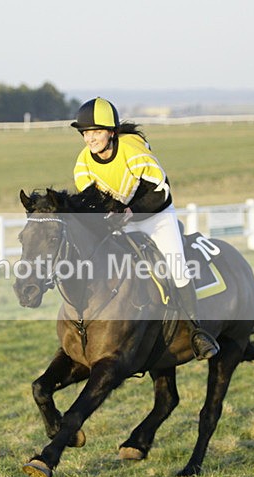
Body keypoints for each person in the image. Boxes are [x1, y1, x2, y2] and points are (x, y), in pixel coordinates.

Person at [70, 97, 219, 360]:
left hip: (156, 216)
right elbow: (92, 204)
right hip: (122, 224)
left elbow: (161, 192)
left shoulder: (134, 151)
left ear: (111, 133)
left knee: (176, 267)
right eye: (85, 133)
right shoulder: (83, 164)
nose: (90, 139)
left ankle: (197, 332)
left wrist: (131, 211)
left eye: (96, 132)